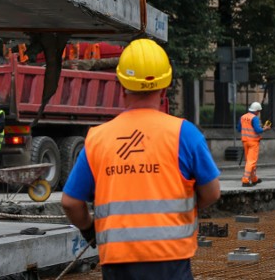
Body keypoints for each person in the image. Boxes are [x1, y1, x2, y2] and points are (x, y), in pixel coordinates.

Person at [61, 39, 221, 280]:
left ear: (122, 87)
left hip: (117, 263)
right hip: (171, 261)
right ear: (165, 88)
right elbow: (212, 193)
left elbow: (71, 203)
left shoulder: (98, 138)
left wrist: (89, 229)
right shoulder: (184, 134)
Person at [238, 101, 270, 187]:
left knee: (250, 161)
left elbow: (239, 129)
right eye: (259, 111)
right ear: (256, 111)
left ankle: (254, 179)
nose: (259, 113)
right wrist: (265, 128)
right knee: (251, 161)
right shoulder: (254, 118)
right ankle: (245, 180)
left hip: (245, 141)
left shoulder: (243, 117)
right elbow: (258, 130)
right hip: (253, 142)